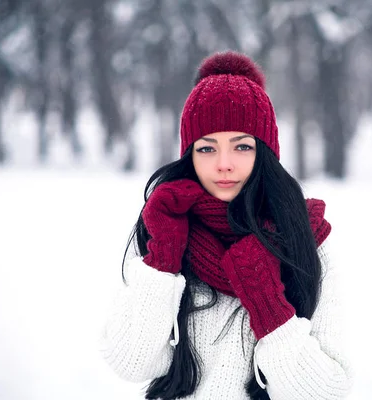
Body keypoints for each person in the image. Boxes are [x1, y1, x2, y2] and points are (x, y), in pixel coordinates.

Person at [100, 51, 352, 400]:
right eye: (206, 149)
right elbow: (130, 362)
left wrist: (267, 302)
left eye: (242, 146)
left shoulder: (306, 241)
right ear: (189, 154)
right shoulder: (167, 226)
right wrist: (164, 257)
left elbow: (328, 391)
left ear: (264, 152)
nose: (224, 164)